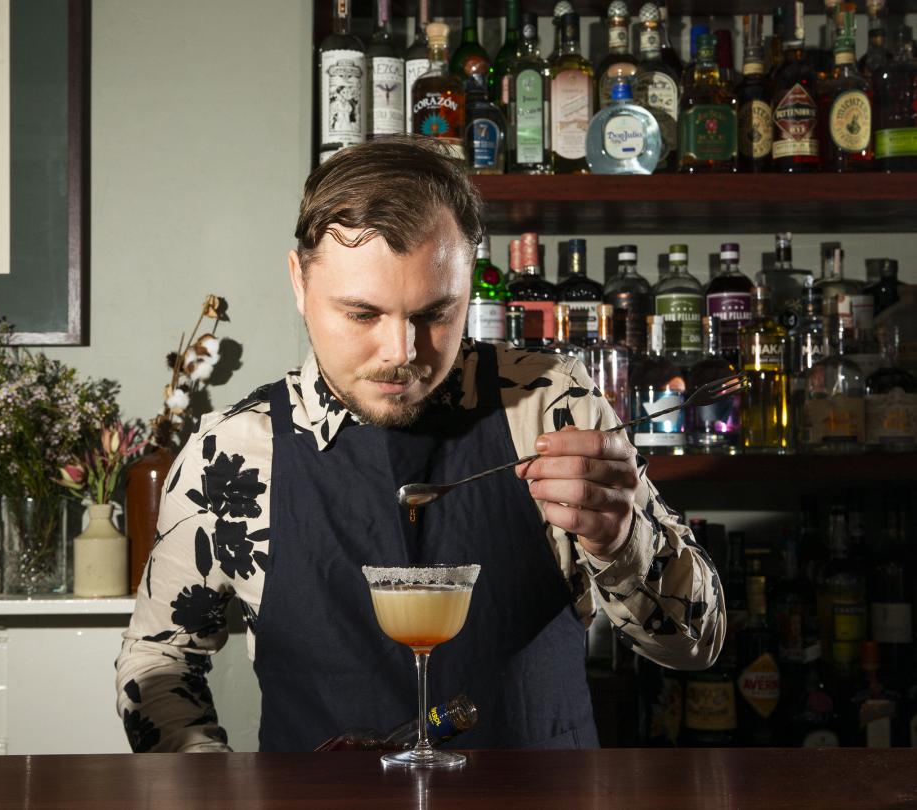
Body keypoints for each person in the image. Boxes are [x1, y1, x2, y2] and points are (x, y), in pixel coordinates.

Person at [115, 136, 725, 753]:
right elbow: (158, 663)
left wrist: (620, 541)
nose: (402, 354)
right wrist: (206, 778)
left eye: (436, 314)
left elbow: (694, 645)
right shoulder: (233, 455)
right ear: (299, 282)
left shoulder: (550, 403)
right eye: (362, 315)